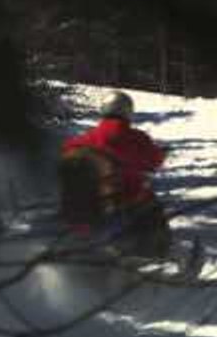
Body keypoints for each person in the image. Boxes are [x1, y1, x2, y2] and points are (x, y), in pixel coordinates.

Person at [59, 90, 171, 257]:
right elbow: (154, 160)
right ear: (127, 111)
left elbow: (67, 154)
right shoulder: (137, 138)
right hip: (127, 203)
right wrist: (161, 154)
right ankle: (158, 253)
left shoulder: (84, 139)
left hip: (93, 205)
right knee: (152, 205)